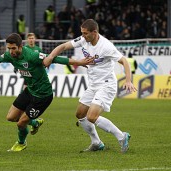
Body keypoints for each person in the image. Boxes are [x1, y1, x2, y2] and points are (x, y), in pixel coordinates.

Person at [0, 33, 94, 151]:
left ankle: (21, 143)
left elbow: (55, 59)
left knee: (21, 123)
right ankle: (35, 122)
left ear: (20, 46)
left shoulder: (32, 55)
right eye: (9, 48)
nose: (11, 51)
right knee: (11, 117)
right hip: (29, 90)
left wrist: (78, 62)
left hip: (43, 95)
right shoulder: (10, 55)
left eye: (13, 48)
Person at [44, 19, 137, 153]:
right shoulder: (83, 40)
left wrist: (128, 81)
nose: (83, 36)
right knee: (80, 114)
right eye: (82, 33)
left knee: (91, 117)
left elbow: (124, 61)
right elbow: (63, 46)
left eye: (86, 33)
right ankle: (96, 142)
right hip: (93, 85)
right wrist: (50, 57)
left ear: (95, 32)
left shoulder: (106, 46)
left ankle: (122, 136)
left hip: (106, 85)